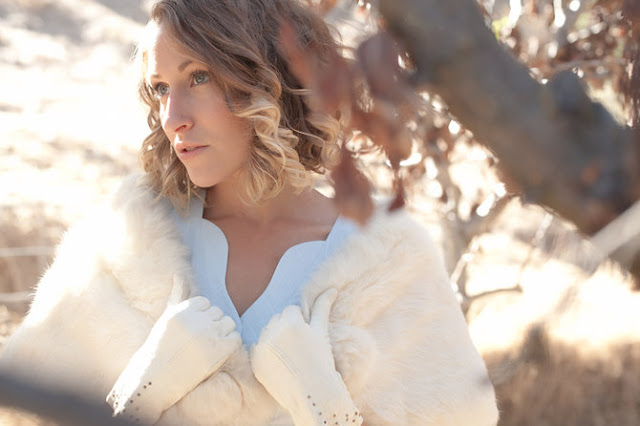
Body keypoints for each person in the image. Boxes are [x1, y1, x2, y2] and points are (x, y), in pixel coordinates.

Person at [0, 0, 499, 424]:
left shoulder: (392, 264)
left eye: (198, 77)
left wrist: (325, 408)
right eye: (161, 88)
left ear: (271, 78)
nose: (173, 118)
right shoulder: (120, 246)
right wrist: (139, 394)